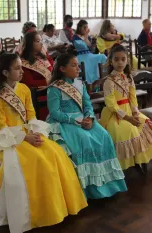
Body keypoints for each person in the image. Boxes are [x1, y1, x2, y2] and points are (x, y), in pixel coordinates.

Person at [0, 52, 87, 233]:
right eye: (17, 68)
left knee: (55, 152)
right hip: (9, 139)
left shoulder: (24, 89)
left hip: (29, 133)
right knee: (38, 160)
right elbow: (2, 127)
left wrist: (35, 131)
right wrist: (24, 137)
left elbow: (31, 114)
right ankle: (36, 214)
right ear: (4, 72)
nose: (22, 72)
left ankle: (57, 207)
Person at [47, 53, 127, 199]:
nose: (78, 68)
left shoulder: (80, 84)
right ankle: (87, 189)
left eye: (78, 65)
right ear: (63, 69)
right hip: (65, 122)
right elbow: (54, 113)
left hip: (84, 119)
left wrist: (89, 117)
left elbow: (87, 104)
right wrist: (76, 121)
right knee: (84, 140)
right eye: (74, 65)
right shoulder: (54, 88)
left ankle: (107, 184)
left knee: (104, 136)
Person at [99, 44, 152, 170]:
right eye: (116, 59)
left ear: (127, 60)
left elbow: (133, 97)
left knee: (146, 124)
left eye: (123, 59)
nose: (120, 62)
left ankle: (139, 159)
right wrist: (128, 118)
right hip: (115, 114)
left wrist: (135, 112)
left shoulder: (128, 78)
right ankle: (123, 165)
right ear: (111, 61)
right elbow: (111, 104)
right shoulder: (109, 81)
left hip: (129, 110)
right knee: (127, 130)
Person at [20, 31, 54, 120]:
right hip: (38, 95)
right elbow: (29, 83)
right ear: (30, 44)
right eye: (38, 41)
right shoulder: (24, 62)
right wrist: (48, 83)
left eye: (41, 40)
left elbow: (54, 72)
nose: (41, 43)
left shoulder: (44, 57)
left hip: (53, 89)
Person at [72, 20, 106, 89]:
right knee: (85, 67)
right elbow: (81, 46)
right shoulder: (75, 37)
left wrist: (86, 36)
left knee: (102, 57)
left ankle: (103, 78)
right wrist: (85, 36)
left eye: (86, 27)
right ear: (79, 27)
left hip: (89, 55)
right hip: (81, 56)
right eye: (84, 27)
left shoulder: (86, 36)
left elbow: (89, 46)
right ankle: (88, 85)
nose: (85, 29)